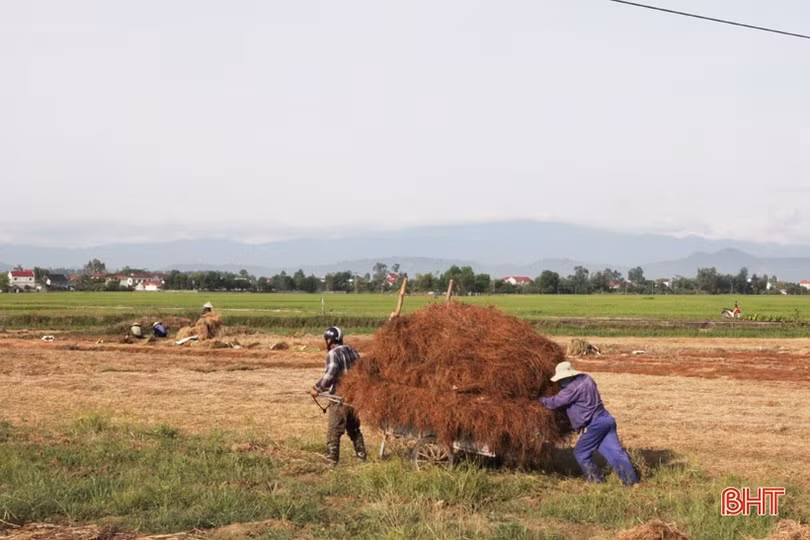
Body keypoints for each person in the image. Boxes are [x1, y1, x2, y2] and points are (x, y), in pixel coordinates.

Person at [538, 361, 639, 487]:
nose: (560, 383)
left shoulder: (571, 389)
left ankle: (596, 483)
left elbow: (554, 402)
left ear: (568, 376)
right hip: (606, 419)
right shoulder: (587, 379)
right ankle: (632, 482)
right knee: (616, 453)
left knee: (581, 453)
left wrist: (540, 399)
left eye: (562, 379)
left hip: (594, 424)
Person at [309, 326, 366, 465]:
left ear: (329, 340)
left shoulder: (333, 353)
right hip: (354, 396)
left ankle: (331, 462)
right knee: (354, 428)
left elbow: (331, 373)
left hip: (339, 397)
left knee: (334, 430)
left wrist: (317, 388)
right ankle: (362, 456)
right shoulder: (352, 351)